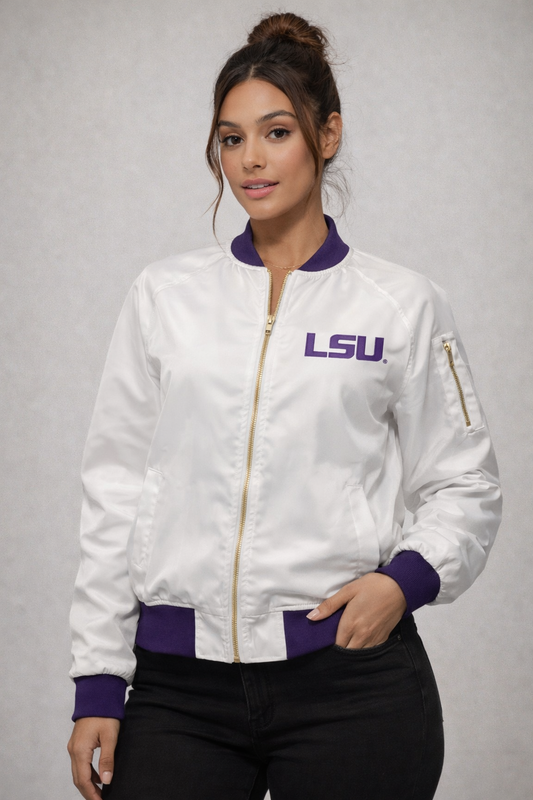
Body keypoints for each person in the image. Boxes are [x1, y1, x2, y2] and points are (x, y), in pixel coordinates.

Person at [67, 12, 502, 800]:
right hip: (179, 687)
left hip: (350, 682)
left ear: (326, 135)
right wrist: (99, 678)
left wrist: (402, 582)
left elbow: (465, 483)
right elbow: (116, 488)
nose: (250, 160)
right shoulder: (165, 296)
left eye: (276, 132)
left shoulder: (400, 304)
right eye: (231, 139)